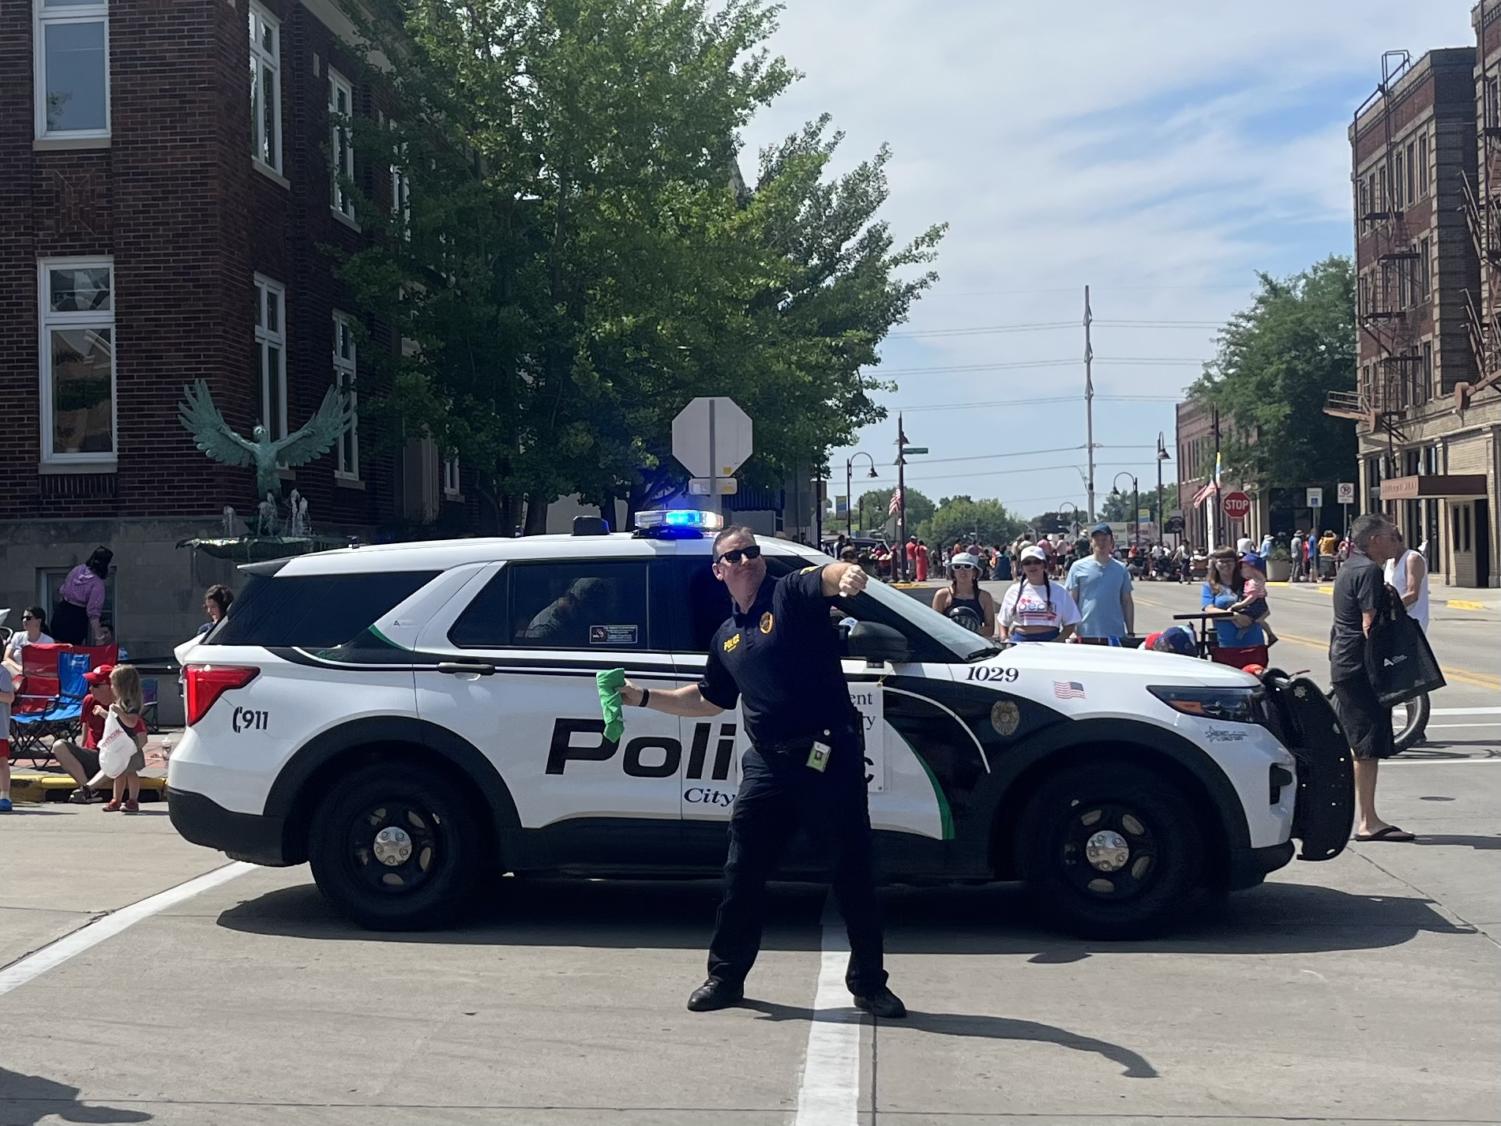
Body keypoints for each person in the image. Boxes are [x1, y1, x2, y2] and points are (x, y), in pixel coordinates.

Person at [618, 526, 905, 1019]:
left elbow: (825, 577)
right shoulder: (726, 637)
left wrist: (847, 574)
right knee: (742, 873)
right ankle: (725, 978)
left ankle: (869, 984)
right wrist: (642, 697)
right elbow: (709, 699)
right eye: (735, 555)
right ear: (719, 570)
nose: (748, 559)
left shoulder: (787, 594)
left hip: (827, 757)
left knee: (852, 872)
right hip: (768, 764)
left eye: (753, 551)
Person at [1330, 513, 1413, 842]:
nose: (1396, 540)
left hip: (1345, 662)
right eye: (1391, 535)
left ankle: (1368, 816)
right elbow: (1369, 624)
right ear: (1375, 540)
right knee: (1367, 746)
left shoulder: (1349, 567)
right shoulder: (1369, 571)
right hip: (1359, 667)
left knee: (1361, 745)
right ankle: (1368, 821)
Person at [52, 664, 116, 803]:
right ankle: (88, 790)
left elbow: (131, 733)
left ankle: (87, 789)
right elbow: (85, 727)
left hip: (113, 757)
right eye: (90, 684)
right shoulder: (89, 700)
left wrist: (107, 715)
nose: (90, 688)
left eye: (95, 685)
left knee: (118, 758)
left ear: (110, 686)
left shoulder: (121, 704)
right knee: (59, 746)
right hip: (93, 755)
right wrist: (82, 750)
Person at [1201, 547, 1269, 669]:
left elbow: (1262, 606)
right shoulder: (1210, 586)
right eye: (1221, 561)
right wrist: (1235, 616)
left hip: (1253, 641)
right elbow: (1209, 609)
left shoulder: (1248, 582)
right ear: (1215, 563)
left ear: (1236, 562)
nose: (1226, 565)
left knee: (1256, 680)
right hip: (1226, 644)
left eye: (1229, 561)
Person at [1064, 523, 1135, 641]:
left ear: (1111, 542)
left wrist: (1131, 631)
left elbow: (1127, 601)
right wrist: (1071, 630)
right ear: (1091, 543)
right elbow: (1071, 601)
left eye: (1104, 540)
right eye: (1097, 540)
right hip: (1086, 633)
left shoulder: (1120, 569)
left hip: (1115, 632)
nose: (1101, 543)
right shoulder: (1078, 567)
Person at [1000, 546, 1080, 642]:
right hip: (1020, 642)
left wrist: (1059, 640)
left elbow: (1070, 623)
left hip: (1050, 641)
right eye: (1027, 563)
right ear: (1022, 567)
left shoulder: (1060, 591)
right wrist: (1004, 639)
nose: (1032, 566)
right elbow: (1003, 622)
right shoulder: (1013, 591)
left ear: (1044, 565)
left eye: (1036, 562)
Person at [101, 665, 148, 814]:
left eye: (113, 684)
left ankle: (133, 799)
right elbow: (117, 722)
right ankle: (117, 799)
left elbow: (131, 722)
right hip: (120, 742)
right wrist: (104, 713)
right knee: (119, 772)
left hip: (130, 743)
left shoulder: (131, 704)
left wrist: (120, 712)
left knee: (130, 771)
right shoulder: (121, 702)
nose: (111, 687)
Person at [52, 546, 112, 645]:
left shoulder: (77, 569)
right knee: (72, 651)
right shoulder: (97, 584)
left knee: (58, 648)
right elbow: (93, 613)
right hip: (76, 618)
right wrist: (99, 637)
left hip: (61, 611)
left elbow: (62, 590)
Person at [932, 552, 996, 637]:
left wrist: (972, 628)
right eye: (957, 567)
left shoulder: (985, 597)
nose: (962, 570)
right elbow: (934, 627)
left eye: (967, 566)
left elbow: (990, 630)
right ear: (953, 573)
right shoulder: (942, 596)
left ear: (974, 572)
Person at [3, 607, 54, 678]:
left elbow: (49, 664)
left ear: (39, 621)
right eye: (23, 618)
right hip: (17, 672)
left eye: (28, 618)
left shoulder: (48, 641)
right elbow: (7, 657)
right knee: (4, 665)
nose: (24, 620)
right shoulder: (17, 636)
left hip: (38, 674)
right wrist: (20, 668)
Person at [0, 661, 13, 812]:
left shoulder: (2, 672)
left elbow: (9, 697)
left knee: (2, 761)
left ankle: (4, 796)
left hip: (0, 728)